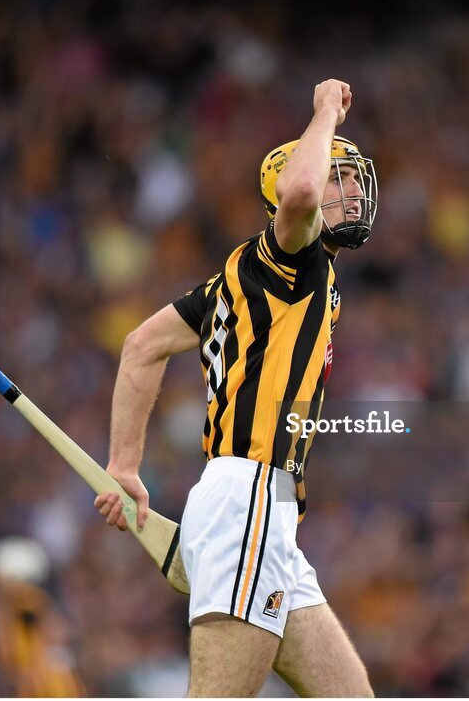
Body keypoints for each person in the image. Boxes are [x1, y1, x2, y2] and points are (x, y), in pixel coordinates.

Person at [92, 79, 377, 697]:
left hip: (264, 512)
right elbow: (300, 192)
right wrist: (325, 108)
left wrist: (125, 464)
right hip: (246, 499)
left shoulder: (237, 280)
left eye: (351, 179)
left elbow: (142, 347)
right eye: (339, 177)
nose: (350, 190)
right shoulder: (291, 256)